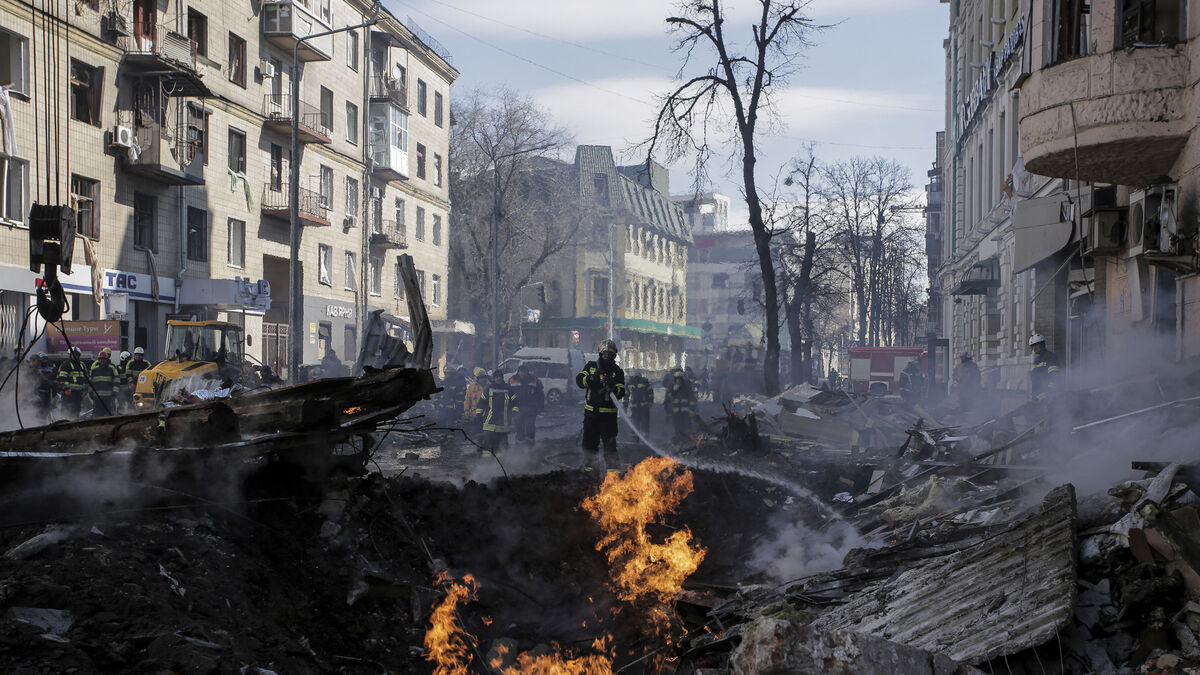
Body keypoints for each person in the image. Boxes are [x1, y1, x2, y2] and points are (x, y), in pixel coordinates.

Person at [575, 339, 626, 472]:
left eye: (609, 354)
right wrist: (591, 378)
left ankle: (613, 474)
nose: (606, 356)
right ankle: (590, 472)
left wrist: (613, 387)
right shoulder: (591, 366)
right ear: (600, 354)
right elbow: (579, 381)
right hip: (591, 414)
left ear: (613, 355)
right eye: (604, 354)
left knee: (610, 446)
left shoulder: (617, 371)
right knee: (589, 444)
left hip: (608, 416)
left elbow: (621, 392)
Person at [475, 369, 518, 454]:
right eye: (496, 377)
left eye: (500, 377)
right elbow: (482, 403)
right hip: (490, 421)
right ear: (494, 378)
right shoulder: (488, 389)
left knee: (502, 445)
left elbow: (515, 402)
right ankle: (487, 460)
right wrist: (478, 415)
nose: (498, 379)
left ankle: (501, 461)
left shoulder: (508, 389)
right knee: (488, 442)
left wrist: (514, 412)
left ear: (502, 378)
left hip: (504, 422)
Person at [509, 364, 544, 443]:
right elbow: (508, 394)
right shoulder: (512, 380)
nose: (523, 373)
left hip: (531, 408)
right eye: (521, 371)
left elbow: (540, 394)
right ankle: (519, 442)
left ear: (527, 372)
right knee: (519, 426)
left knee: (530, 426)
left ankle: (530, 442)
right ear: (518, 372)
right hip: (517, 408)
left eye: (524, 371)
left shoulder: (534, 380)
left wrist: (540, 406)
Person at [663, 369, 698, 436]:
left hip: (685, 410)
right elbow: (669, 397)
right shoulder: (672, 386)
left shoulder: (686, 386)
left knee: (687, 425)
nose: (678, 380)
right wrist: (674, 390)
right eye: (676, 378)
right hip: (676, 410)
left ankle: (687, 437)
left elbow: (691, 397)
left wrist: (692, 409)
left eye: (679, 379)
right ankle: (679, 437)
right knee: (677, 425)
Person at [88, 347, 121, 417]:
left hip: (109, 398)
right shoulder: (94, 370)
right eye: (101, 359)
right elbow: (90, 382)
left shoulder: (112, 369)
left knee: (109, 416)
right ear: (99, 360)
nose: (102, 361)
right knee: (97, 416)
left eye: (104, 359)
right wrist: (90, 392)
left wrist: (114, 392)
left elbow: (117, 381)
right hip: (97, 398)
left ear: (107, 360)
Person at [56, 347, 87, 418]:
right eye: (73, 354)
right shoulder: (65, 365)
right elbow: (62, 378)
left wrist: (85, 389)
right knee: (67, 410)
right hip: (69, 393)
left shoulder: (82, 365)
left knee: (77, 410)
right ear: (70, 355)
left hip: (79, 393)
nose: (75, 356)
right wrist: (66, 389)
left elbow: (86, 378)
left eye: (77, 354)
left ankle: (75, 422)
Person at [1028, 334, 1060, 401]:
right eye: (1032, 346)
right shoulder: (1037, 361)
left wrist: (1046, 394)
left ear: (1042, 344)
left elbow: (1055, 378)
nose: (1034, 348)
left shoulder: (1050, 357)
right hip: (1037, 398)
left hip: (1048, 399)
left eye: (1036, 345)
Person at [32, 353, 56, 418]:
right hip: (39, 391)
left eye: (46, 359)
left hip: (48, 391)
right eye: (43, 359)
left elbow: (53, 378)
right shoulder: (37, 368)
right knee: (40, 408)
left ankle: (44, 420)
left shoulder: (50, 368)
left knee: (47, 408)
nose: (44, 361)